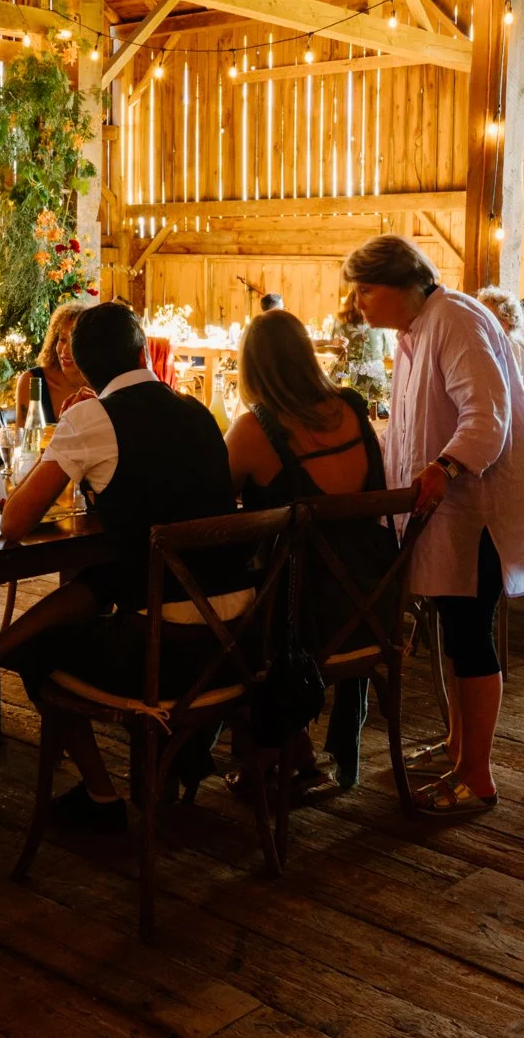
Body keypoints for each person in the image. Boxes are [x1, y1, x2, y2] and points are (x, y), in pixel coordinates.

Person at [0, 302, 252, 829]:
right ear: (143, 352)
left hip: (165, 653)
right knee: (108, 576)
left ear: (82, 369)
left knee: (40, 654)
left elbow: (16, 523)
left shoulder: (91, 416)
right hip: (237, 641)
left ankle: (100, 794)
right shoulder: (197, 411)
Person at [344, 236, 524, 816]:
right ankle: (461, 748)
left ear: (399, 283)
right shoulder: (418, 329)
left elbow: (487, 415)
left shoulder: (455, 319)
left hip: (474, 511)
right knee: (456, 635)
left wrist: (444, 465)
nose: (358, 302)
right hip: (442, 513)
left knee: (469, 636)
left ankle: (478, 776)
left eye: (365, 289)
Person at [225, 309, 395, 797]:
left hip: (300, 622)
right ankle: (296, 752)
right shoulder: (352, 408)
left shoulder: (256, 429)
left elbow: (213, 505)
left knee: (222, 626)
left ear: (252, 368)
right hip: (371, 600)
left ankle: (268, 751)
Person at [17, 299, 93, 426]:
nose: (65, 350)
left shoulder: (101, 382)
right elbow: (24, 441)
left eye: (74, 342)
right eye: (62, 339)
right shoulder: (32, 381)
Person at [476, 285, 524, 398]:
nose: (479, 320)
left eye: (486, 316)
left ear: (504, 322)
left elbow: (507, 394)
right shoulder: (510, 342)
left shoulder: (509, 349)